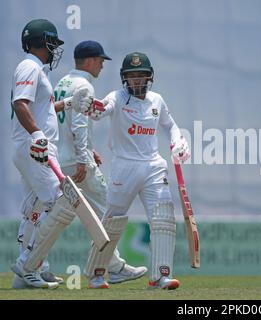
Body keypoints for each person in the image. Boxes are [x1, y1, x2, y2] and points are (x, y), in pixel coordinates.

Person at [80, 52, 190, 290]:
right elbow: (101, 110)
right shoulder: (117, 97)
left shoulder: (157, 100)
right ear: (125, 79)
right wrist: (92, 106)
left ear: (149, 77)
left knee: (163, 219)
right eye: (132, 76)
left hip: (153, 167)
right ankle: (97, 274)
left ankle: (160, 276)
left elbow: (170, 125)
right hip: (124, 168)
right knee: (112, 221)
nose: (137, 81)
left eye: (141, 76)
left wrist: (178, 141)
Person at [53, 41, 148, 289]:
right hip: (76, 162)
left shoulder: (62, 83)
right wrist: (84, 158)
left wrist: (87, 150)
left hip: (60, 158)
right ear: (90, 60)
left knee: (75, 214)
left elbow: (60, 122)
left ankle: (32, 266)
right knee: (110, 212)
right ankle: (108, 270)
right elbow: (80, 125)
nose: (102, 66)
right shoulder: (84, 85)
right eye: (100, 61)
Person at [10, 19, 90, 289]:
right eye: (52, 43)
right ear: (42, 41)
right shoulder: (29, 66)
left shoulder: (37, 69)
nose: (55, 48)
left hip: (38, 146)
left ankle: (34, 267)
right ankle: (28, 262)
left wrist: (68, 103)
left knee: (35, 208)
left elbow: (41, 109)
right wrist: (37, 135)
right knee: (59, 204)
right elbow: (20, 104)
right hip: (35, 147)